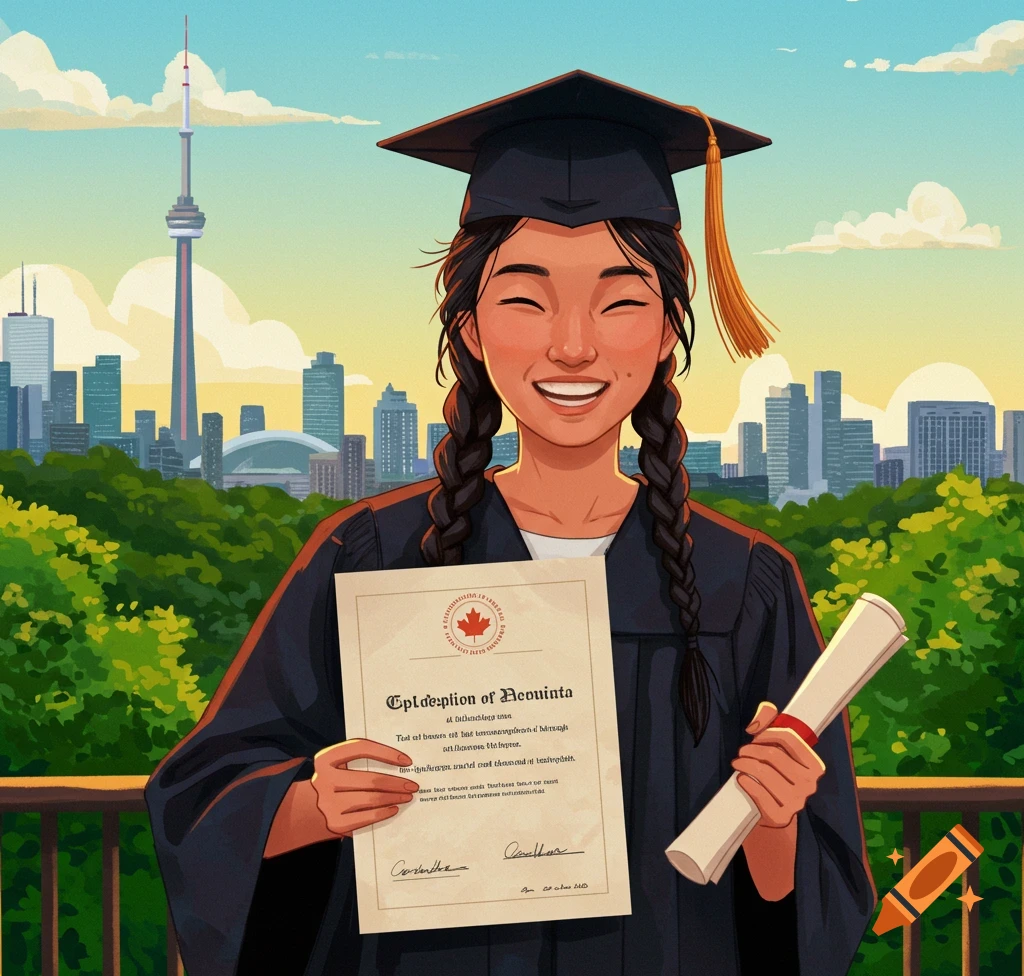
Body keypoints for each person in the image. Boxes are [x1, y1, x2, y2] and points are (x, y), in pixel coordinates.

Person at [145, 71, 877, 976]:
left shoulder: (746, 585)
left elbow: (806, 909)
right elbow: (201, 800)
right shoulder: (368, 557)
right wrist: (309, 803)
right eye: (526, 299)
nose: (573, 344)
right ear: (472, 329)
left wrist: (773, 823)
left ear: (666, 333)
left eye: (621, 300)